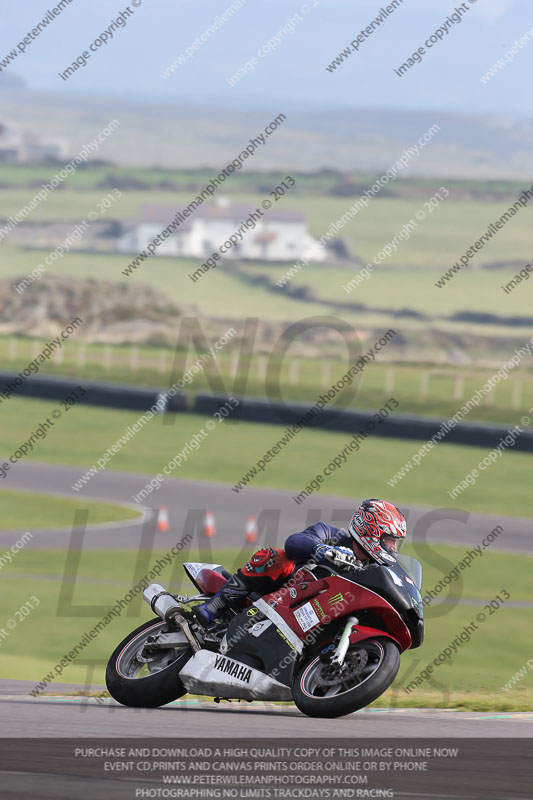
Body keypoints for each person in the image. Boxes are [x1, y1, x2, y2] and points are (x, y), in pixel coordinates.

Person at [190, 498, 406, 629]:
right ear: (371, 530)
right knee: (277, 556)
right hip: (279, 596)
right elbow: (294, 542)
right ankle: (215, 605)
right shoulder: (330, 534)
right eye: (390, 540)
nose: (393, 548)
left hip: (314, 616)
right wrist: (322, 550)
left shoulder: (375, 569)